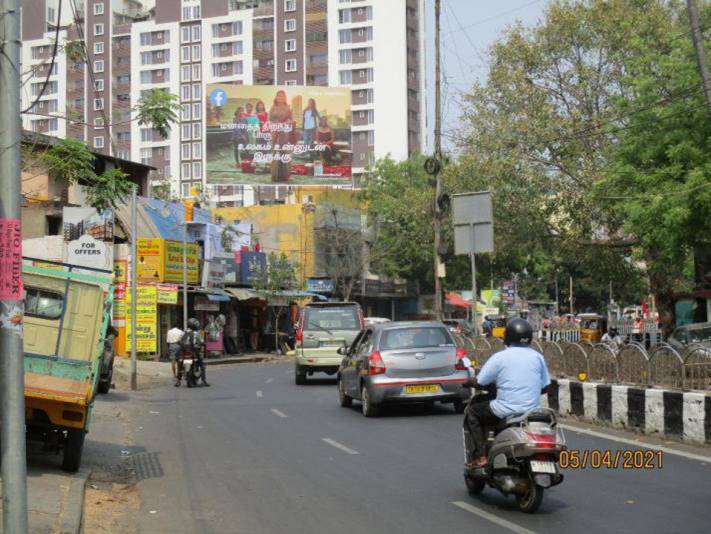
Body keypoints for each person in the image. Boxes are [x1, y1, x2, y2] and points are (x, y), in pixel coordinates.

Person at [462, 318, 550, 468]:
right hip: (532, 412)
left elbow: (481, 381)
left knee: (473, 412)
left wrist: (469, 382)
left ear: (508, 336)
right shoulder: (538, 357)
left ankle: (481, 457)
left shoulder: (500, 357)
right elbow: (545, 386)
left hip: (504, 410)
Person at [268, 90, 294, 182]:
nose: (280, 97)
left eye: (282, 96)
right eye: (278, 95)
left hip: (284, 132)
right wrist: (275, 124)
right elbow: (269, 120)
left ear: (285, 97)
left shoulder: (288, 108)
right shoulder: (272, 108)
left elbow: (292, 120)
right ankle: (275, 175)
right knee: (275, 153)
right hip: (275, 131)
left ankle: (285, 175)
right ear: (276, 97)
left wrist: (288, 122)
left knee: (284, 152)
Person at [177, 318, 209, 387]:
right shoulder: (196, 333)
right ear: (195, 325)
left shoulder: (184, 332)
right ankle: (203, 380)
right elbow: (201, 341)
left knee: (180, 363)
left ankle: (178, 380)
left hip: (184, 351)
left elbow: (179, 341)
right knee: (202, 364)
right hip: (194, 351)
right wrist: (203, 344)